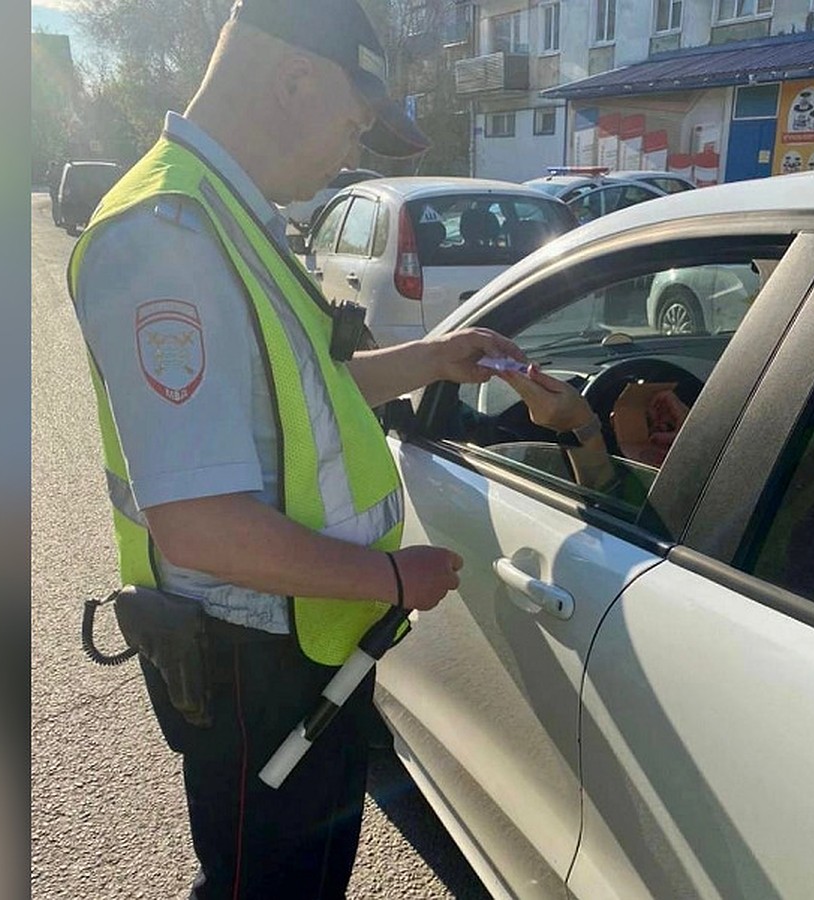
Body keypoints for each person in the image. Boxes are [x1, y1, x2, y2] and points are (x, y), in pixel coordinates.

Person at [65, 2, 524, 897]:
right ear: (293, 80)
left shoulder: (232, 217)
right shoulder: (168, 236)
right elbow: (199, 526)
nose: (348, 154)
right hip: (254, 661)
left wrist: (433, 357)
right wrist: (394, 581)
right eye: (354, 123)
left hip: (301, 642)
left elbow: (303, 396)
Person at [497, 363, 692, 488]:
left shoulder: (669, 501)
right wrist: (697, 435)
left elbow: (607, 505)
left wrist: (579, 425)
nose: (655, 428)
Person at [44, 160, 63, 226]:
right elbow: (48, 182)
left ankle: (59, 219)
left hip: (58, 190)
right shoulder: (49, 173)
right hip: (53, 190)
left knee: (59, 205)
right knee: (55, 205)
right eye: (54, 166)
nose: (56, 168)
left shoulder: (58, 173)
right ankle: (56, 220)